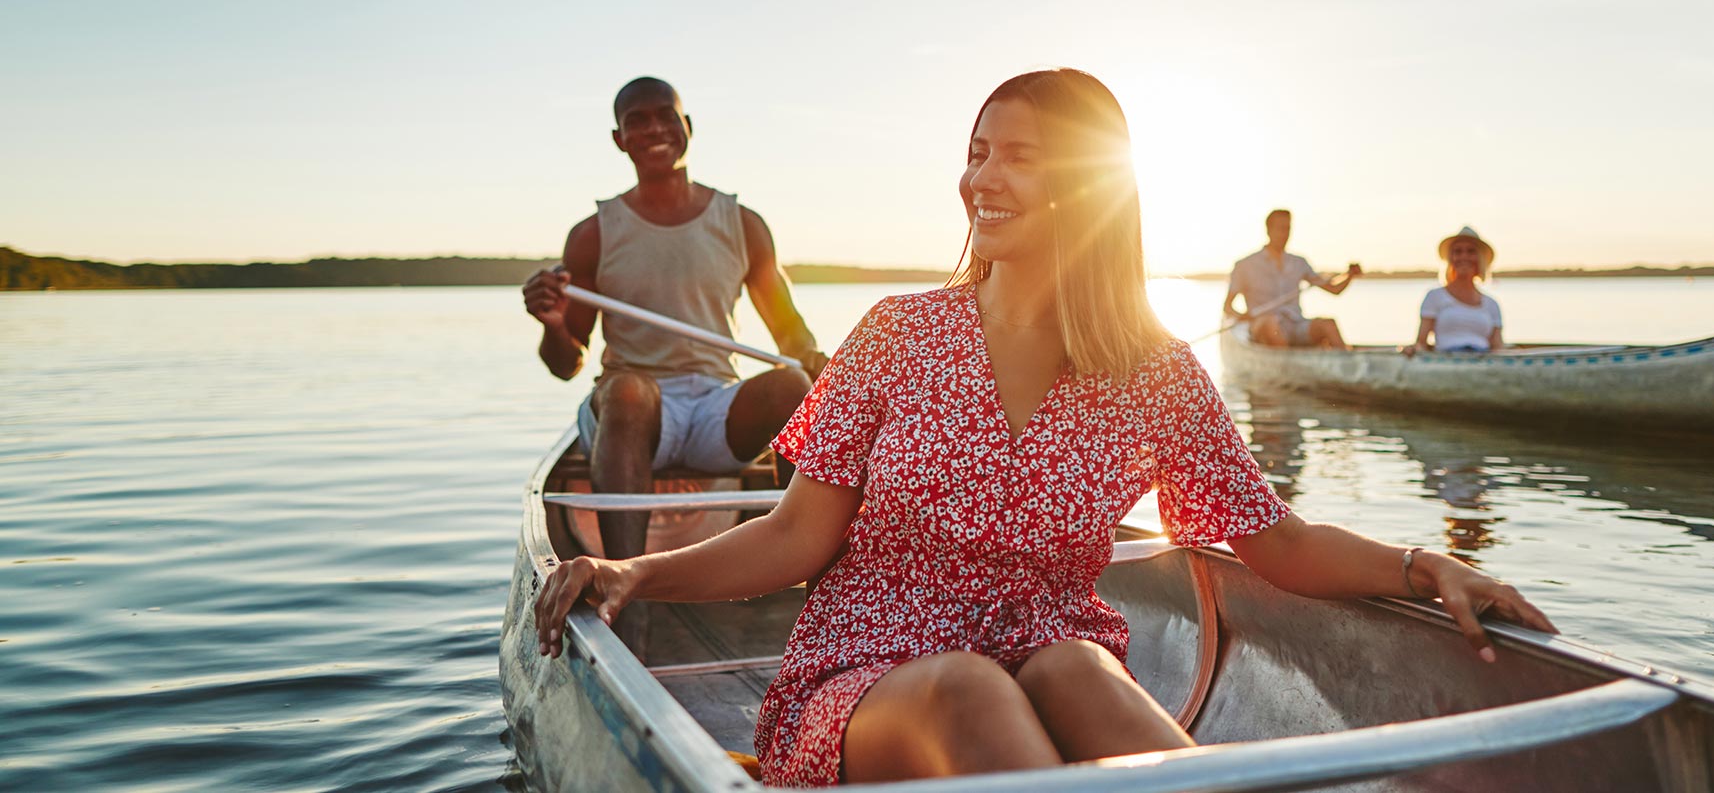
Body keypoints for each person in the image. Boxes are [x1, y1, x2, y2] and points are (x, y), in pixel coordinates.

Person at [535, 69, 1557, 787]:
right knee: (972, 688)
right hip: (870, 677)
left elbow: (1278, 543)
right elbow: (800, 535)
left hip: (1047, 652)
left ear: (1086, 185)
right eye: (976, 153)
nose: (981, 178)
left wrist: (1427, 566)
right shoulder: (898, 333)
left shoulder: (1152, 369)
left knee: (1078, 666)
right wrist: (639, 576)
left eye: (1015, 157)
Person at [520, 77, 829, 562]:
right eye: (636, 121)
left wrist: (812, 361)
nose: (654, 129)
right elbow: (566, 365)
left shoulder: (743, 224)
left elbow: (791, 335)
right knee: (627, 389)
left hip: (714, 411)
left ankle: (807, 574)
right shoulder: (593, 234)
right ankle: (622, 588)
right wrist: (554, 325)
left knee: (791, 385)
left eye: (666, 116)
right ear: (619, 140)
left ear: (687, 126)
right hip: (632, 417)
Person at [1221, 209, 1361, 348]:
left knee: (1328, 324)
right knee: (1270, 324)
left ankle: (1348, 364)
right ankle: (1286, 365)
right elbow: (1228, 307)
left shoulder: (1298, 263)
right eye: (1280, 229)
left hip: (1296, 324)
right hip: (1263, 326)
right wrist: (1240, 316)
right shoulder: (1246, 265)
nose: (1285, 234)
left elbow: (1334, 289)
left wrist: (1350, 275)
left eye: (1288, 228)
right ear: (1268, 230)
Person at [1407, 226, 1503, 355]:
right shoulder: (1435, 296)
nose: (1464, 256)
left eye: (1471, 251)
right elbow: (1421, 343)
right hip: (1446, 360)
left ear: (1480, 258)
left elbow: (1498, 348)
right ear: (1450, 258)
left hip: (1483, 361)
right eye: (1458, 251)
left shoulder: (1491, 304)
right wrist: (1412, 350)